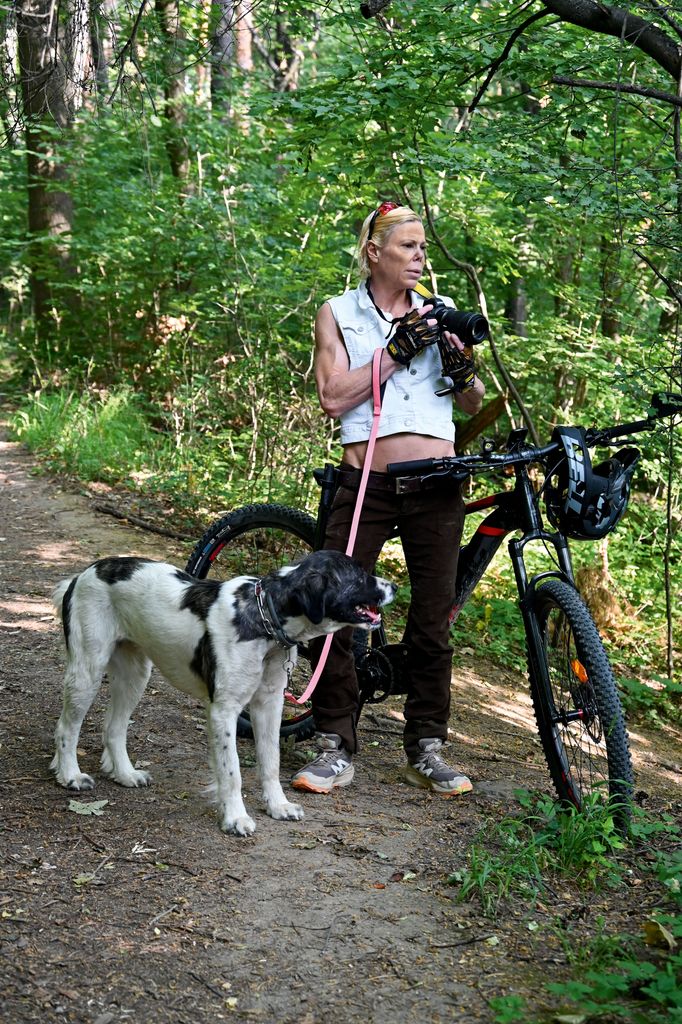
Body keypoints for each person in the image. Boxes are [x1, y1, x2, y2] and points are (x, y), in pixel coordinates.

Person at [291, 202, 485, 797]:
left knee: (432, 620)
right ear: (374, 253)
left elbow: (475, 403)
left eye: (423, 246)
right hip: (366, 483)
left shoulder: (437, 313)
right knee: (335, 612)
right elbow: (332, 397)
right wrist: (395, 352)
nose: (420, 256)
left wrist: (461, 365)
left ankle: (426, 745)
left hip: (436, 485)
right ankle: (333, 746)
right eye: (408, 246)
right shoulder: (339, 313)